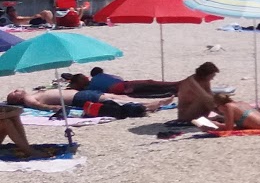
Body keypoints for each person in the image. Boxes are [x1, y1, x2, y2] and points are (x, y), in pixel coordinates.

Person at [5, 86, 164, 120]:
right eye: (14, 92)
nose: (16, 89)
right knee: (112, 100)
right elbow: (38, 106)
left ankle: (147, 103)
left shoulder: (31, 94)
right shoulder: (28, 99)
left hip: (78, 94)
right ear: (17, 99)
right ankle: (149, 105)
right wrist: (52, 108)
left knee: (114, 96)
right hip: (76, 99)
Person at [73, 68, 182, 98]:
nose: (85, 77)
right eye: (83, 78)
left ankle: (174, 88)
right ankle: (175, 85)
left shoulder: (91, 86)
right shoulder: (93, 82)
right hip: (124, 86)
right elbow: (119, 78)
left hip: (123, 88)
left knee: (150, 88)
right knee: (150, 84)